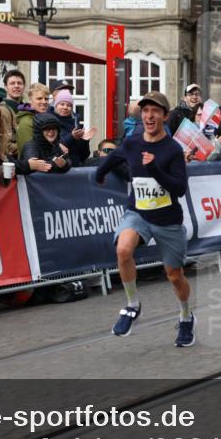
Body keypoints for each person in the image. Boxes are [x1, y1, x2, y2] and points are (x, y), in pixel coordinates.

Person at [95, 91, 195, 347]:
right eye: (146, 111)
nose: (149, 116)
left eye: (155, 111)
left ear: (165, 116)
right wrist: (100, 172)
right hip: (138, 212)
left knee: (174, 275)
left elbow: (179, 188)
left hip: (167, 219)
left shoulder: (172, 150)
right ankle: (132, 305)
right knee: (123, 249)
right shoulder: (133, 142)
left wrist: (154, 168)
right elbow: (115, 156)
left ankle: (186, 317)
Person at [53, 89, 95, 164]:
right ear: (55, 105)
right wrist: (71, 136)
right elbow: (54, 148)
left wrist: (85, 140)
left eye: (69, 105)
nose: (65, 107)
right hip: (59, 166)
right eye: (62, 104)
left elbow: (84, 156)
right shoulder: (50, 121)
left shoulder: (75, 123)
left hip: (76, 166)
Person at [15, 82, 52, 154]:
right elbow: (29, 153)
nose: (44, 102)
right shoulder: (26, 122)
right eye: (39, 98)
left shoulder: (44, 118)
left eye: (46, 99)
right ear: (30, 100)